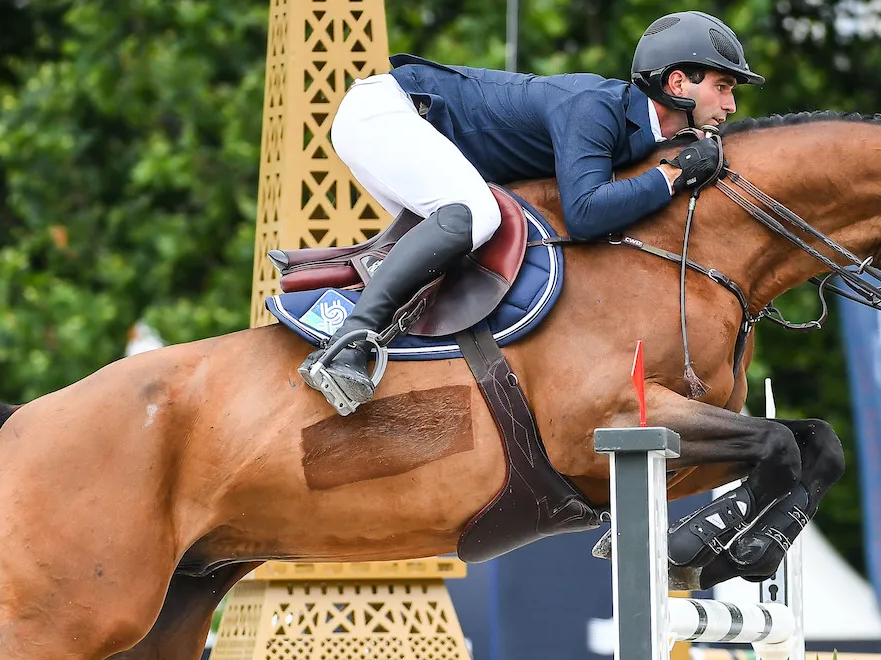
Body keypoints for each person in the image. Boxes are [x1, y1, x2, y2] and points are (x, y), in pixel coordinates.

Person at [293, 10, 763, 414]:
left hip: (415, 130)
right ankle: (348, 344)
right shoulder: (595, 108)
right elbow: (583, 214)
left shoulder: (643, 132)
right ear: (678, 82)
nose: (731, 103)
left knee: (471, 241)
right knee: (476, 214)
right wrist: (672, 176)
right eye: (722, 86)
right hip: (387, 113)